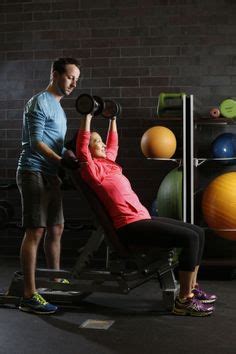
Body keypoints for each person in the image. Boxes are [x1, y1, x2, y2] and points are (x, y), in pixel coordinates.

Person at [75, 113, 217, 317]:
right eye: (96, 142)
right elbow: (81, 147)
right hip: (129, 226)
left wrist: (112, 119)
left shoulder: (109, 164)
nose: (103, 144)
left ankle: (191, 289)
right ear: (88, 148)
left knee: (197, 232)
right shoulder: (92, 171)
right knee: (190, 238)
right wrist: (86, 116)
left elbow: (113, 143)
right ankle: (184, 301)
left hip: (142, 218)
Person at [16, 57, 80, 315]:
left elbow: (54, 143)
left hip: (51, 174)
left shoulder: (60, 108)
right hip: (33, 171)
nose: (73, 83)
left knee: (57, 227)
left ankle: (54, 280)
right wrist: (62, 161)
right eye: (69, 77)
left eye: (76, 79)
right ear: (55, 74)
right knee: (36, 231)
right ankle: (29, 295)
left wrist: (69, 155)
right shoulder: (39, 102)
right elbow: (35, 143)